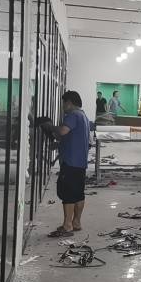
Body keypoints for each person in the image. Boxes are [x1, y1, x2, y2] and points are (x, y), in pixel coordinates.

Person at [36, 91, 91, 237]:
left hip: (70, 162)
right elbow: (74, 137)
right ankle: (76, 223)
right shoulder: (84, 116)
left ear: (69, 103)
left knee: (68, 194)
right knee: (78, 194)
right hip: (80, 162)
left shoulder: (72, 115)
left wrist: (49, 126)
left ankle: (67, 226)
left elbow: (62, 130)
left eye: (63, 103)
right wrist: (59, 145)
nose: (63, 107)